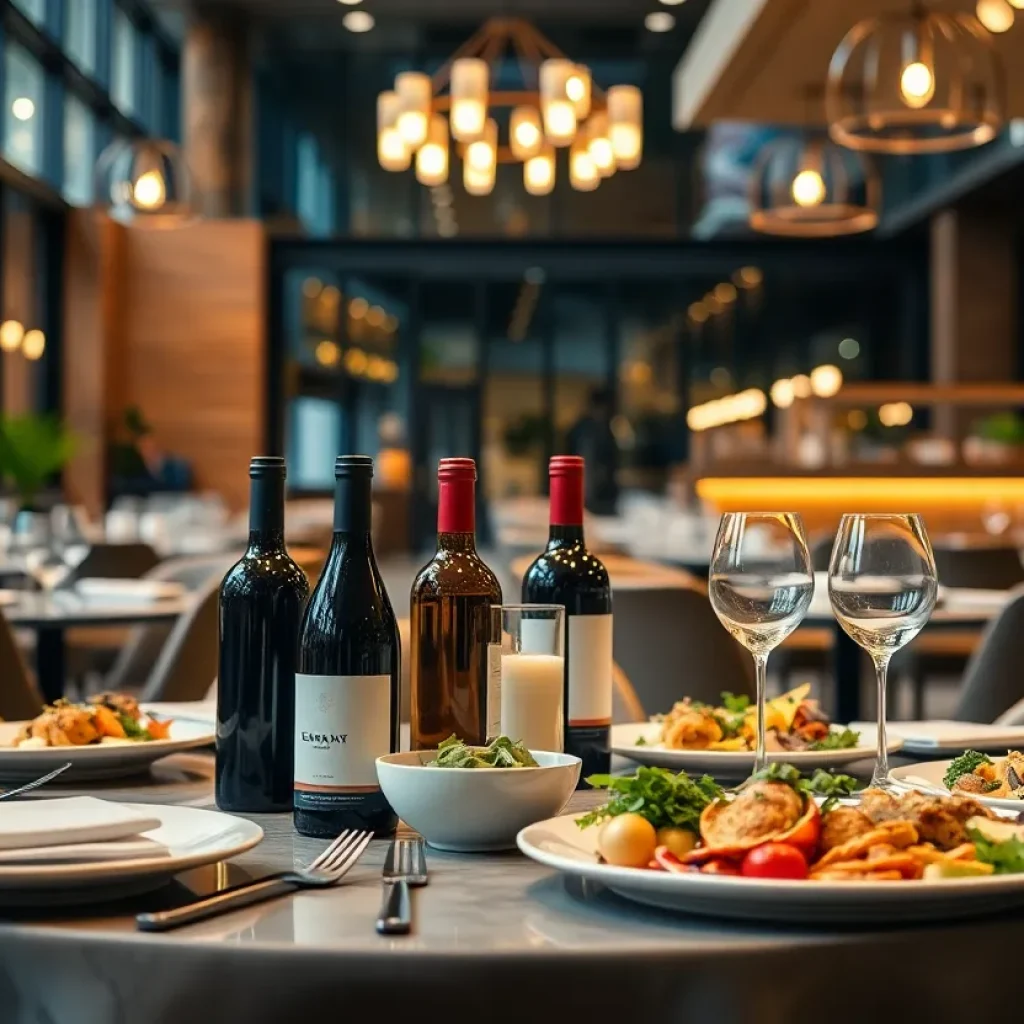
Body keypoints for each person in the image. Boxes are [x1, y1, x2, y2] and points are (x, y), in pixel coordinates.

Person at [566, 387, 618, 515]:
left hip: (593, 493)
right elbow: (586, 461)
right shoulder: (591, 430)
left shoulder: (583, 428)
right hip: (592, 494)